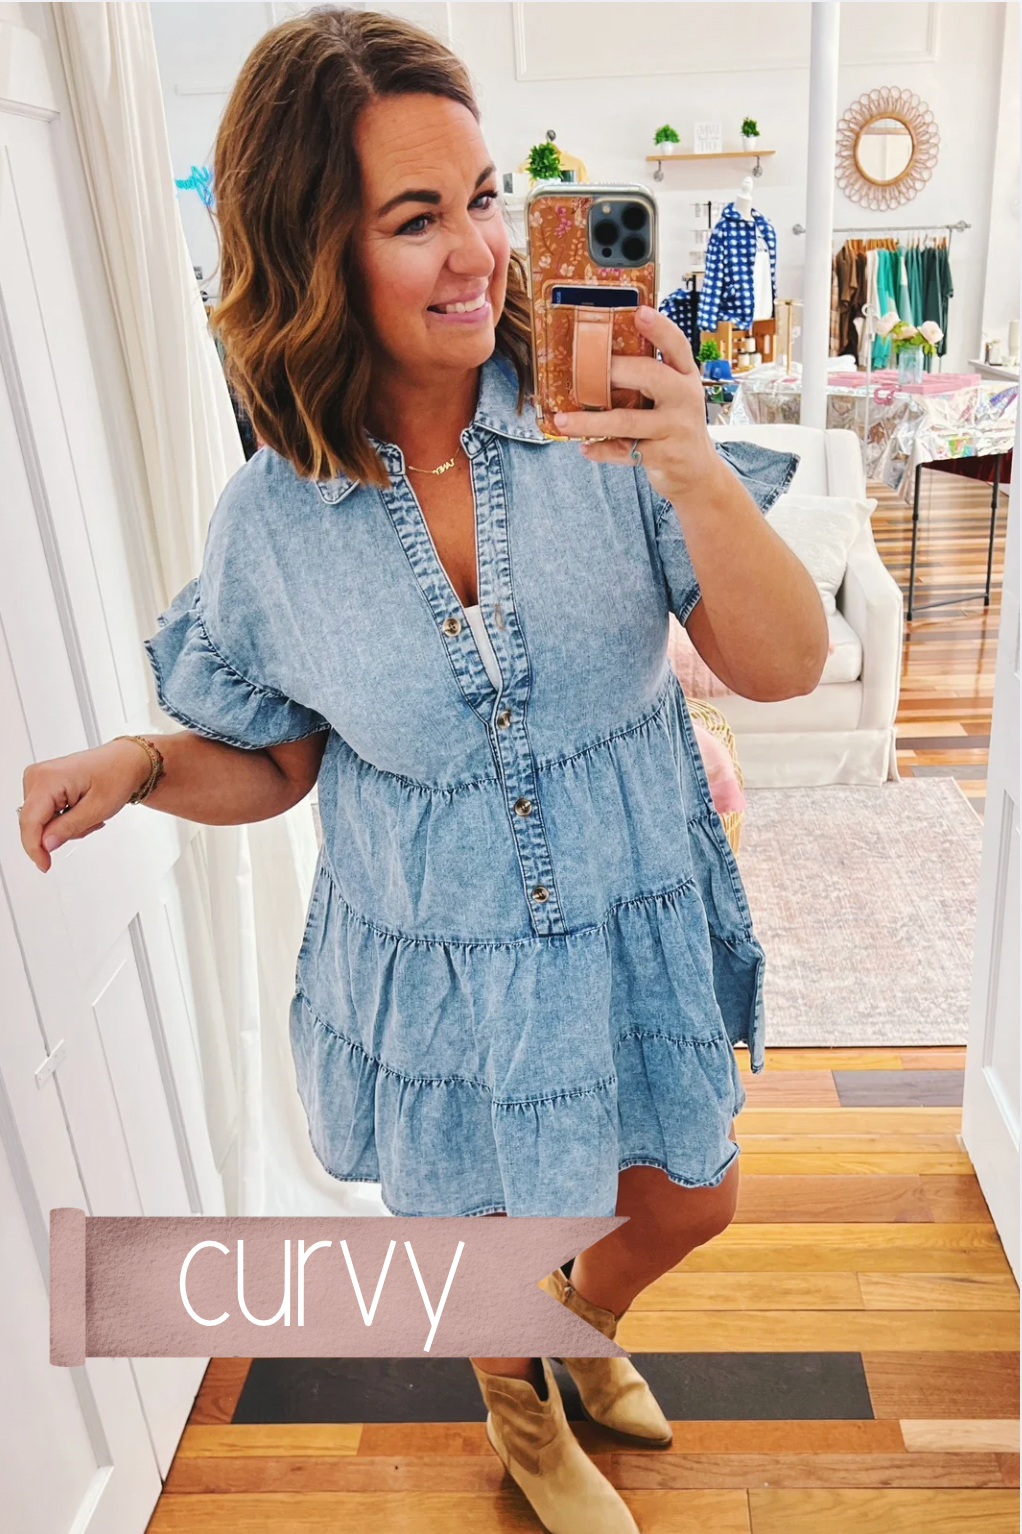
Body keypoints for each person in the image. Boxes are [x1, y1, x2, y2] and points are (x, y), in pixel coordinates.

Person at [18, 11, 827, 1532]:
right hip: (437, 952)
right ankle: (518, 1404)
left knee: (689, 1195)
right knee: (484, 1232)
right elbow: (278, 764)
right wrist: (140, 761)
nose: (478, 252)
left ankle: (571, 1328)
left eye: (484, 198)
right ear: (315, 248)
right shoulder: (271, 526)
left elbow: (784, 664)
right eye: (415, 217)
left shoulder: (606, 426)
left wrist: (693, 463)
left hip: (630, 909)